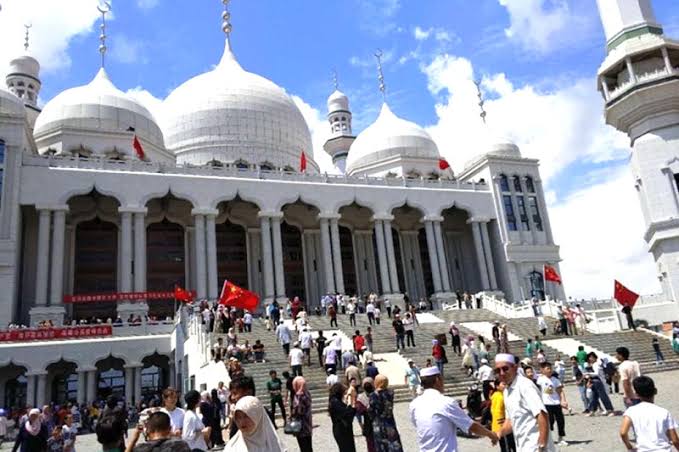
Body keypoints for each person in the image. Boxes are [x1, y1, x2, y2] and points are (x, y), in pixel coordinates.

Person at [410, 366, 498, 451]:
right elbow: (471, 426)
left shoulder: (414, 404)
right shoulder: (446, 402)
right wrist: (490, 434)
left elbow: (417, 424)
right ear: (437, 380)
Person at [495, 353, 555, 452]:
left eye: (505, 369)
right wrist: (499, 433)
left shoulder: (525, 385)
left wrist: (542, 443)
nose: (502, 373)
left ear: (515, 368)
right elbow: (510, 420)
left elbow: (541, 414)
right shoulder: (506, 391)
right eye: (498, 370)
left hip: (535, 446)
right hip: (522, 446)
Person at [620, 376, 679, 452]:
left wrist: (629, 447)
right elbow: (675, 440)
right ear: (655, 391)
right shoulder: (664, 412)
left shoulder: (631, 411)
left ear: (636, 394)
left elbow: (623, 432)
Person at [536, 362, 568, 446]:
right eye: (547, 368)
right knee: (549, 421)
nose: (550, 370)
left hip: (556, 403)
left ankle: (561, 438)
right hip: (546, 404)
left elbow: (560, 391)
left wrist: (563, 401)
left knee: (561, 421)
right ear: (542, 370)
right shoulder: (540, 380)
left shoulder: (555, 380)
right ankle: (547, 439)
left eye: (550, 368)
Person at [125, 412, 191, 452]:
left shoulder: (141, 449)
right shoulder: (180, 446)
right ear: (169, 429)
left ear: (148, 430)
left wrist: (134, 439)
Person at [369, 375, 404, 451]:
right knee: (393, 443)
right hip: (390, 422)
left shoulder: (373, 395)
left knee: (382, 446)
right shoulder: (390, 393)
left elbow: (371, 410)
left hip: (379, 423)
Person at [583, 352, 615, 416]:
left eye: (591, 357)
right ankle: (592, 410)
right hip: (594, 381)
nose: (590, 359)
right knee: (594, 397)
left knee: (602, 396)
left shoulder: (596, 364)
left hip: (598, 381)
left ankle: (609, 409)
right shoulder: (594, 364)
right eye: (589, 357)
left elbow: (596, 373)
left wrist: (588, 374)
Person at [329, 383, 356, 452]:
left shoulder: (336, 401)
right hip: (341, 431)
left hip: (344, 430)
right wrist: (350, 399)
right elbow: (348, 414)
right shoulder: (335, 402)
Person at [491, 380, 516, 452]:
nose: (505, 386)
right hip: (502, 426)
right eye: (503, 384)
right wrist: (501, 426)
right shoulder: (499, 397)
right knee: (506, 447)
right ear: (497, 386)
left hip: (505, 425)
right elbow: (497, 412)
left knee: (510, 445)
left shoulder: (501, 394)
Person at [291, 376, 313, 452]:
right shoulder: (307, 393)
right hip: (308, 424)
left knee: (304, 447)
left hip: (301, 426)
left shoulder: (299, 396)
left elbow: (299, 411)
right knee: (309, 446)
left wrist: (292, 413)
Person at [356, 378, 376, 452]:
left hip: (368, 423)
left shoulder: (360, 397)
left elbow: (359, 411)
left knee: (371, 444)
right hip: (378, 422)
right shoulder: (377, 395)